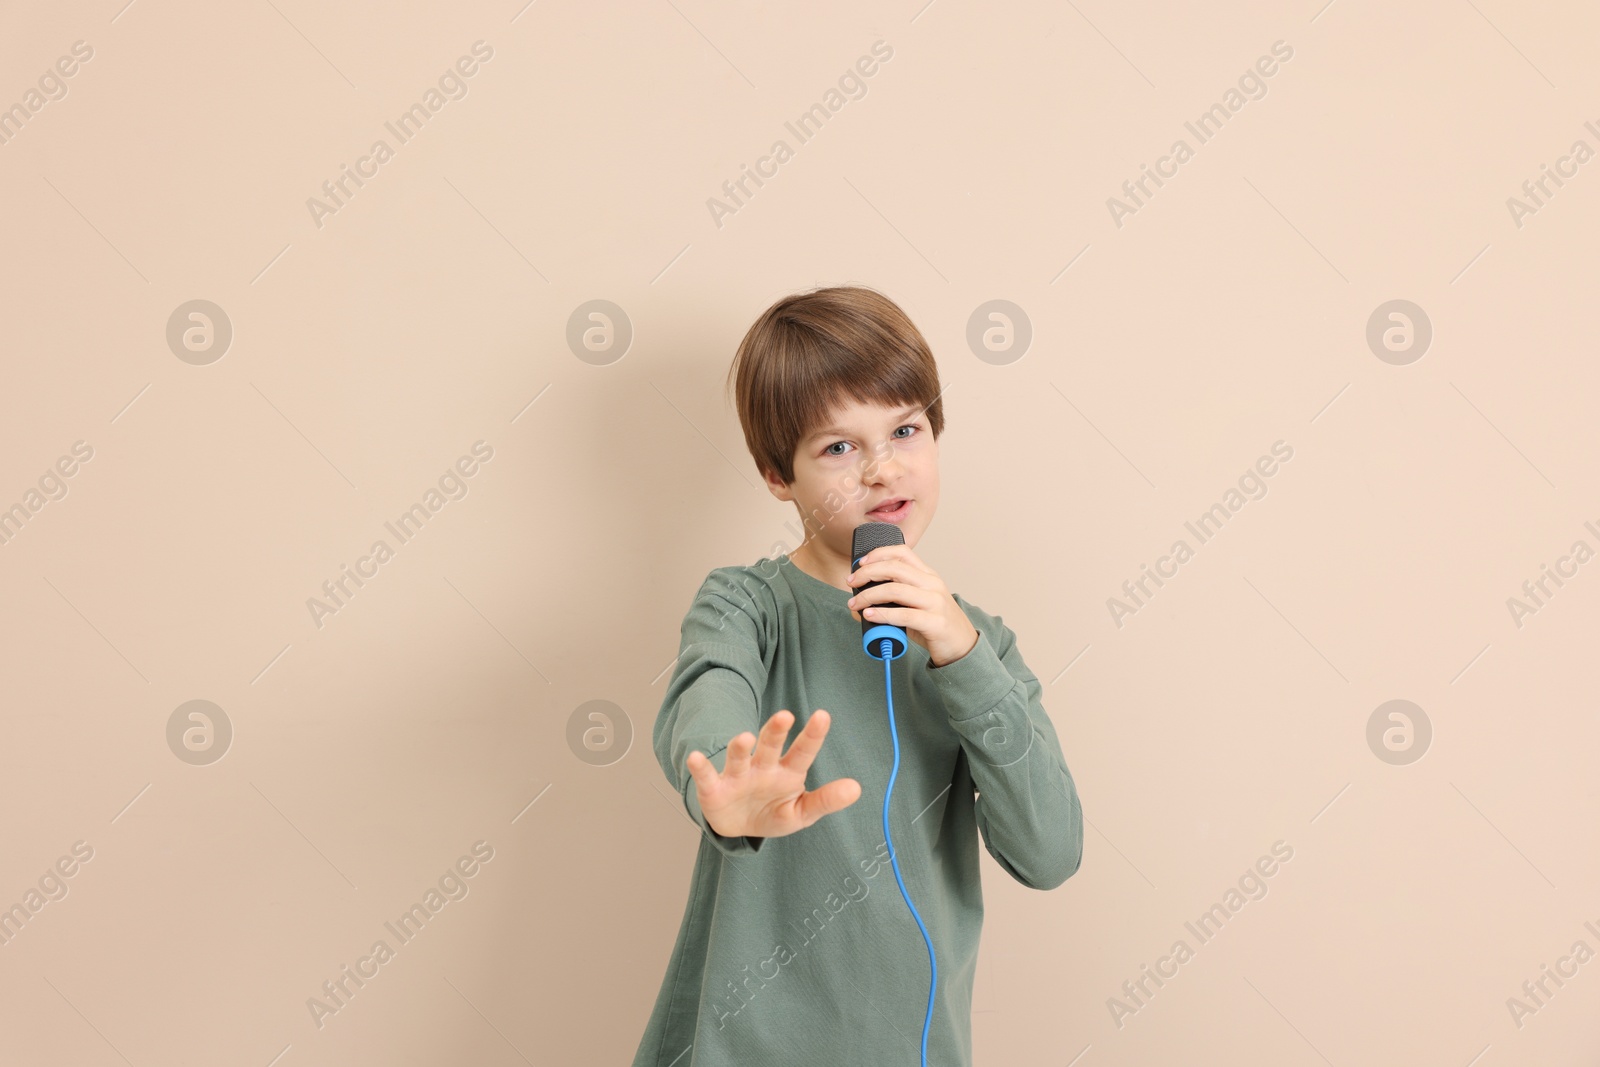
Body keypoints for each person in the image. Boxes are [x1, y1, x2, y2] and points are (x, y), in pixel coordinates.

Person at [631, 285, 1084, 1067]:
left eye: (905, 429)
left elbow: (1049, 851)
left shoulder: (984, 646)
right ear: (780, 474)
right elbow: (705, 700)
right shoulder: (746, 606)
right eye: (839, 447)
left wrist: (962, 654)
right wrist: (726, 782)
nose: (882, 467)